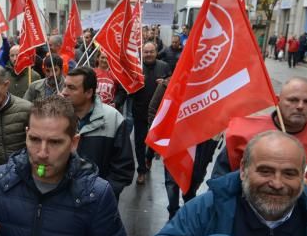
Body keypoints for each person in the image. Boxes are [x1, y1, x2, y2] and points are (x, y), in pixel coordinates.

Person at [151, 131, 307, 236]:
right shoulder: (205, 209)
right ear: (243, 170)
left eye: (289, 174)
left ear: (303, 177)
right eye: (265, 171)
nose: (277, 183)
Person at [0, 95, 128, 236]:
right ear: (26, 134)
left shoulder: (96, 195)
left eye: (55, 142)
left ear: (74, 143)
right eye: (35, 139)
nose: (42, 153)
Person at [211, 77, 307, 208]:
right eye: (293, 100)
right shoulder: (243, 132)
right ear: (277, 100)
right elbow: (219, 179)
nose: (300, 106)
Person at [149, 77, 218, 219]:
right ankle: (173, 212)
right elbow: (154, 109)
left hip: (201, 143)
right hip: (174, 140)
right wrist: (159, 134)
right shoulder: (168, 84)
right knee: (172, 179)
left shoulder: (211, 86)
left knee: (195, 176)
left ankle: (189, 205)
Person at [61, 67, 134, 198]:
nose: (64, 92)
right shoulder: (55, 117)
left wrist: (103, 194)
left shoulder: (113, 118)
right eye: (65, 86)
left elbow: (123, 169)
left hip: (98, 204)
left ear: (89, 92)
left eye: (71, 88)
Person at [115, 41, 170, 185]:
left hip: (158, 114)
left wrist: (165, 82)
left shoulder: (164, 66)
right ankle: (141, 171)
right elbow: (125, 88)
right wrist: (117, 102)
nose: (149, 54)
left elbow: (173, 83)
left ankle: (148, 158)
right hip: (139, 111)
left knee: (152, 141)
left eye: (151, 51)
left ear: (156, 52)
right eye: (146, 52)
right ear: (142, 53)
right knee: (140, 142)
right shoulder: (136, 68)